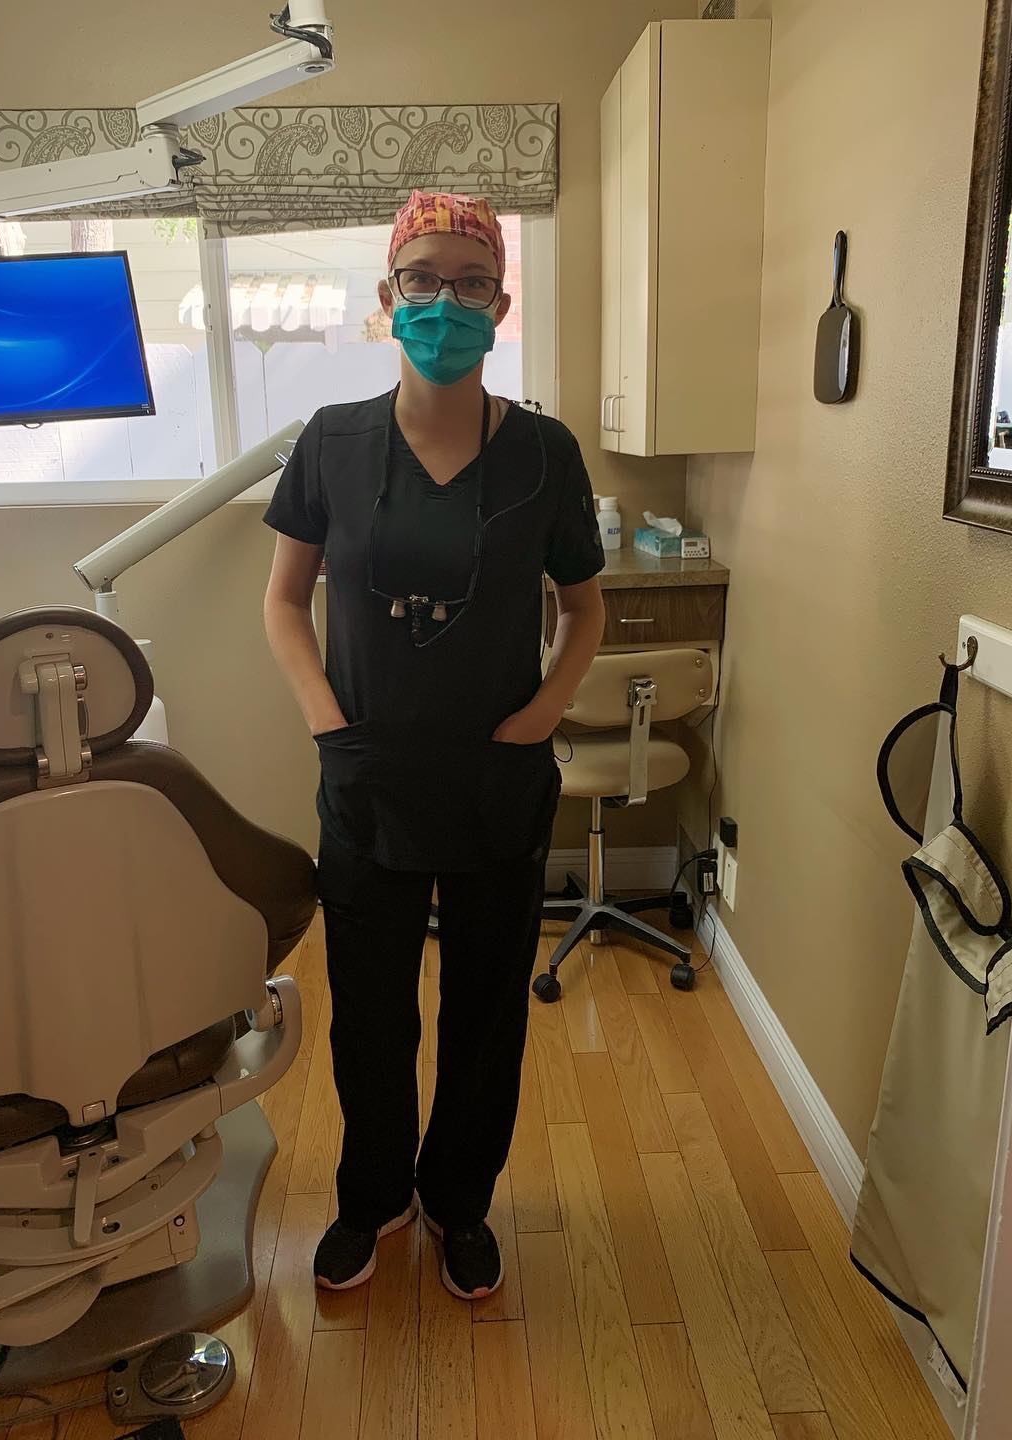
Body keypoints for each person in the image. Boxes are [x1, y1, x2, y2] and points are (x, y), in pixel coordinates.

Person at [261, 189, 607, 1300]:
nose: (445, 302)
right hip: (369, 773)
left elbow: (584, 608)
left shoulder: (545, 452)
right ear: (387, 295)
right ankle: (373, 1198)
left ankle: (459, 1202)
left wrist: (539, 717)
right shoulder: (331, 441)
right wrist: (328, 721)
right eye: (423, 280)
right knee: (370, 1009)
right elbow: (284, 601)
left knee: (487, 1010)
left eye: (471, 283)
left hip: (498, 777)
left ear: (500, 304)